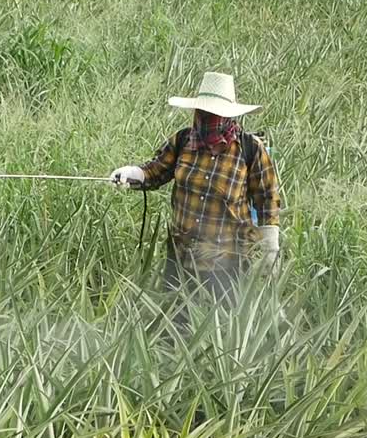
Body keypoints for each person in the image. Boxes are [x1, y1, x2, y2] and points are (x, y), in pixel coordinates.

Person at [109, 71, 281, 313]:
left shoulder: (250, 149)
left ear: (227, 116)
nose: (206, 118)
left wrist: (269, 246)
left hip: (227, 263)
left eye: (213, 113)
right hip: (181, 259)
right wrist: (132, 173)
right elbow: (156, 170)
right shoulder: (183, 141)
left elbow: (267, 198)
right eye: (203, 112)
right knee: (173, 330)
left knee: (220, 332)